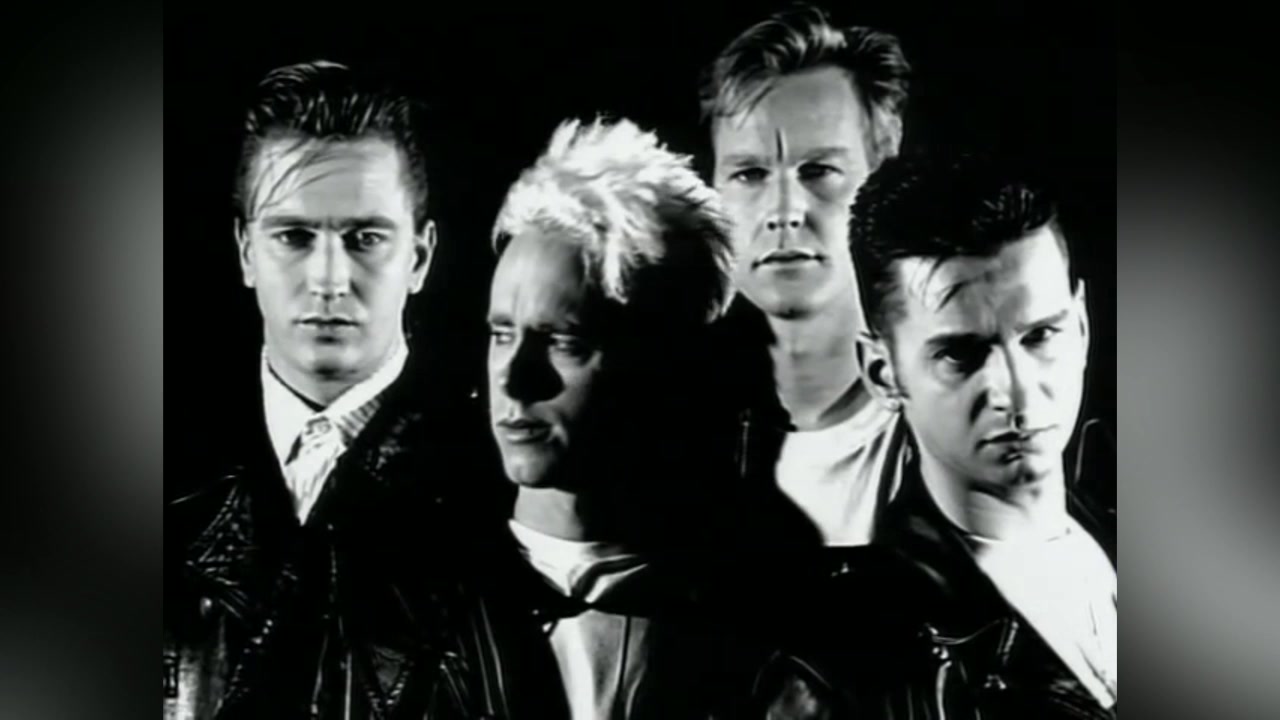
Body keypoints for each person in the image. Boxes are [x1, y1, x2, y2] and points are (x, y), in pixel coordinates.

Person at [163, 60, 489, 718]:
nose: (329, 279)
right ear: (246, 251)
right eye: (294, 236)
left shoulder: (500, 481)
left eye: (365, 238)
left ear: (420, 257)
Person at [755, 153, 1117, 719]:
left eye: (1041, 336)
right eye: (960, 354)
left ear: (1083, 327)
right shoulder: (839, 669)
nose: (1016, 389)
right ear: (884, 373)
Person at [457, 116, 748, 719]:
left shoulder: (763, 643)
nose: (512, 379)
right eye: (501, 334)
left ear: (665, 362)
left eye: (563, 341)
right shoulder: (397, 619)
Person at [699, 3, 914, 549]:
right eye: (749, 173)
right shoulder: (664, 431)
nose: (783, 210)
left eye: (819, 170)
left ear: (884, 174)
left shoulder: (955, 422)